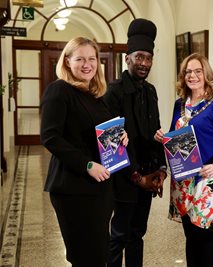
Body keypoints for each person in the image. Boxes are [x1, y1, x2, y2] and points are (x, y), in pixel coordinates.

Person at [40, 37, 128, 267]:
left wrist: (120, 138)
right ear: (67, 61)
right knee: (85, 256)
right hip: (73, 188)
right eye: (80, 59)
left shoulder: (94, 94)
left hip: (99, 188)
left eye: (92, 59)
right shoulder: (59, 90)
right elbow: (50, 137)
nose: (87, 64)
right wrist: (87, 164)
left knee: (99, 254)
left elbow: (100, 133)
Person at [154, 53, 213, 267]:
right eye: (188, 71)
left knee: (204, 236)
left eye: (198, 71)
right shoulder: (179, 104)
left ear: (206, 74)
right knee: (190, 234)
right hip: (182, 180)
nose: (193, 75)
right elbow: (174, 137)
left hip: (205, 180)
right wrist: (162, 138)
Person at [103, 19, 167, 267]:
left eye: (148, 58)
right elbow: (111, 144)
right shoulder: (114, 92)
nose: (144, 63)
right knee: (119, 235)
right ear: (127, 58)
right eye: (139, 57)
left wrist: (160, 169)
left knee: (138, 234)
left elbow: (157, 133)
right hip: (124, 177)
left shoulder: (150, 91)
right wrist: (136, 176)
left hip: (148, 175)